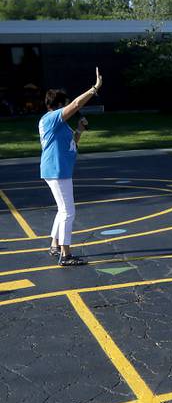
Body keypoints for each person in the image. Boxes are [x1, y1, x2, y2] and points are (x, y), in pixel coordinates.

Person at [39, 67, 103, 266]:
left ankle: (55, 244)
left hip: (58, 169)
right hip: (57, 170)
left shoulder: (57, 124)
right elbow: (76, 104)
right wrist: (95, 88)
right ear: (58, 105)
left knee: (62, 210)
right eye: (64, 105)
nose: (67, 108)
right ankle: (65, 254)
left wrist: (80, 130)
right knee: (69, 212)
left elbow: (71, 143)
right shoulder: (51, 119)